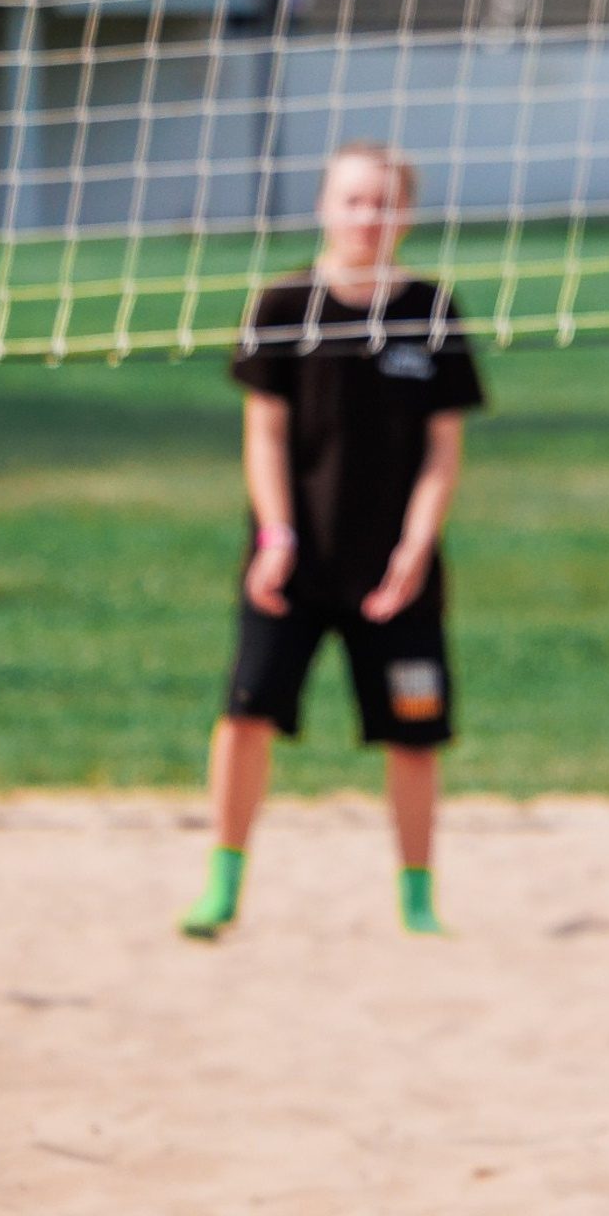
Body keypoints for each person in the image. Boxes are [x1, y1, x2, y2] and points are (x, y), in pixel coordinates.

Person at [177, 142, 487, 942]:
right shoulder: (284, 304)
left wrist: (416, 549)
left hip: (395, 567)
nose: (367, 217)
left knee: (413, 734)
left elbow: (443, 451)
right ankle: (223, 886)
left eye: (383, 202)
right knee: (246, 715)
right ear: (324, 206)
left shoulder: (430, 307)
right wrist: (275, 536)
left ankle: (418, 899)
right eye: (352, 200)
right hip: (294, 558)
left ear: (406, 215)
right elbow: (264, 438)